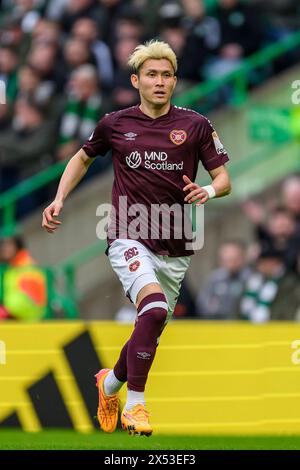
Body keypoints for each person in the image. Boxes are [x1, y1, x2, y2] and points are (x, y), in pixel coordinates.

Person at [42, 40, 231, 436]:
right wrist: (59, 198)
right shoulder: (115, 123)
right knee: (156, 308)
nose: (159, 82)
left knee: (151, 321)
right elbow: (81, 157)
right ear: (136, 80)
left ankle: (109, 382)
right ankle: (136, 406)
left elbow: (224, 179)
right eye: (151, 75)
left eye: (166, 75)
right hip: (128, 234)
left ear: (175, 81)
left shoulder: (195, 124)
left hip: (177, 243)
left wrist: (208, 192)